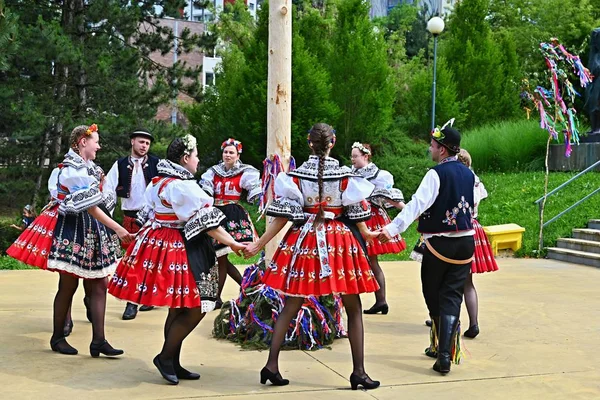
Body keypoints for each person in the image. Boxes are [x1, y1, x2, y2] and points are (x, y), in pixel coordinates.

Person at [244, 123, 381, 390]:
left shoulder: (293, 177)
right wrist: (374, 235)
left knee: (291, 304)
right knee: (353, 308)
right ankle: (359, 372)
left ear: (309, 144)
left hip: (303, 241)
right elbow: (359, 219)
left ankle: (271, 365)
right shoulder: (346, 177)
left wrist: (259, 244)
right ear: (333, 143)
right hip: (338, 243)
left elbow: (283, 218)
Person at [108, 135, 247, 385]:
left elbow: (147, 213)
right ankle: (165, 356)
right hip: (183, 246)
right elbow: (207, 223)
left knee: (179, 305)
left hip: (162, 243)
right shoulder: (182, 186)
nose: (198, 160)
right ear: (185, 158)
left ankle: (173, 360)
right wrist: (234, 243)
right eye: (195, 156)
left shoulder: (159, 181)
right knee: (196, 306)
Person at [7, 124, 133, 356]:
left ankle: (99, 340)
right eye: (96, 141)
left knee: (99, 283)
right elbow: (92, 206)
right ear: (83, 142)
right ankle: (57, 337)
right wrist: (117, 229)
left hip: (92, 230)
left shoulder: (91, 169)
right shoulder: (70, 170)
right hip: (73, 229)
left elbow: (101, 201)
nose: (99, 145)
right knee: (68, 284)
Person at [378, 120, 475, 375]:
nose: (430, 149)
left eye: (432, 145)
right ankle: (443, 352)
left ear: (443, 149)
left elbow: (416, 205)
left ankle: (442, 351)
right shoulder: (470, 174)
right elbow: (474, 205)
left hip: (440, 243)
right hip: (466, 243)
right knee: (452, 296)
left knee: (433, 294)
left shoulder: (436, 174)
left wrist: (390, 230)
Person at [104, 128, 160, 320]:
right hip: (129, 218)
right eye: (141, 142)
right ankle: (132, 302)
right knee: (131, 260)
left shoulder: (156, 163)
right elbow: (108, 189)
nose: (144, 146)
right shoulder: (120, 164)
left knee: (150, 259)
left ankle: (142, 298)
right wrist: (106, 217)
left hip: (152, 218)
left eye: (147, 143)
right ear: (132, 142)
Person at [199, 138, 261, 308]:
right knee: (221, 257)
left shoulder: (245, 171)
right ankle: (246, 289)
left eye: (231, 152)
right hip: (216, 213)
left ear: (238, 154)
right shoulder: (213, 171)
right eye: (226, 152)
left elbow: (255, 193)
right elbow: (206, 191)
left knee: (221, 257)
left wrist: (262, 201)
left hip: (232, 214)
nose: (227, 155)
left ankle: (218, 297)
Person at [350, 142, 406, 315]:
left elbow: (392, 199)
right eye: (352, 156)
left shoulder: (379, 175)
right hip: (358, 218)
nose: (352, 160)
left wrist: (410, 212)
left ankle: (380, 300)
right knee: (365, 261)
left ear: (365, 156)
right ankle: (377, 300)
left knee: (371, 261)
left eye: (355, 156)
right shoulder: (351, 174)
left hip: (370, 218)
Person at [457, 149, 498, 339]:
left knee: (450, 280)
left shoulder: (458, 178)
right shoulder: (475, 180)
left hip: (460, 229)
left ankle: (447, 321)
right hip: (475, 226)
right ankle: (474, 323)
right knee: (467, 282)